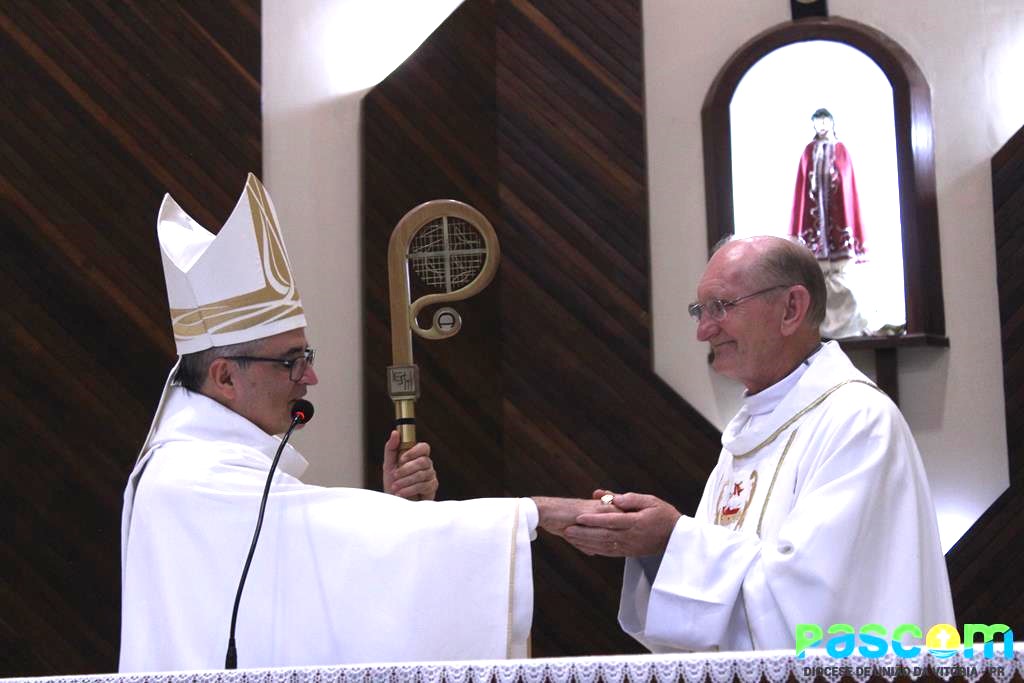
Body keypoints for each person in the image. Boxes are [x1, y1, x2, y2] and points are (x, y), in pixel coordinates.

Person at [119, 174, 602, 671]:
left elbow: (306, 591)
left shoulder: (207, 465)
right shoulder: (195, 478)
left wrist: (399, 521)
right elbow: (316, 543)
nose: (310, 376)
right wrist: (536, 512)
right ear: (224, 377)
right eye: (290, 361)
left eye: (306, 355)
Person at [563, 236, 954, 652]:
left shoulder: (857, 421)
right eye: (700, 310)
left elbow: (810, 601)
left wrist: (671, 540)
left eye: (721, 307)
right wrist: (655, 549)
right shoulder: (745, 435)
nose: (703, 331)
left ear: (791, 309)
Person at [789, 108, 868, 338]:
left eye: (825, 121)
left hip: (835, 214)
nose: (821, 126)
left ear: (832, 123)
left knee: (841, 273)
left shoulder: (840, 149)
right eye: (817, 122)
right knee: (817, 274)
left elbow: (846, 183)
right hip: (815, 215)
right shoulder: (808, 151)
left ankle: (849, 322)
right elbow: (803, 186)